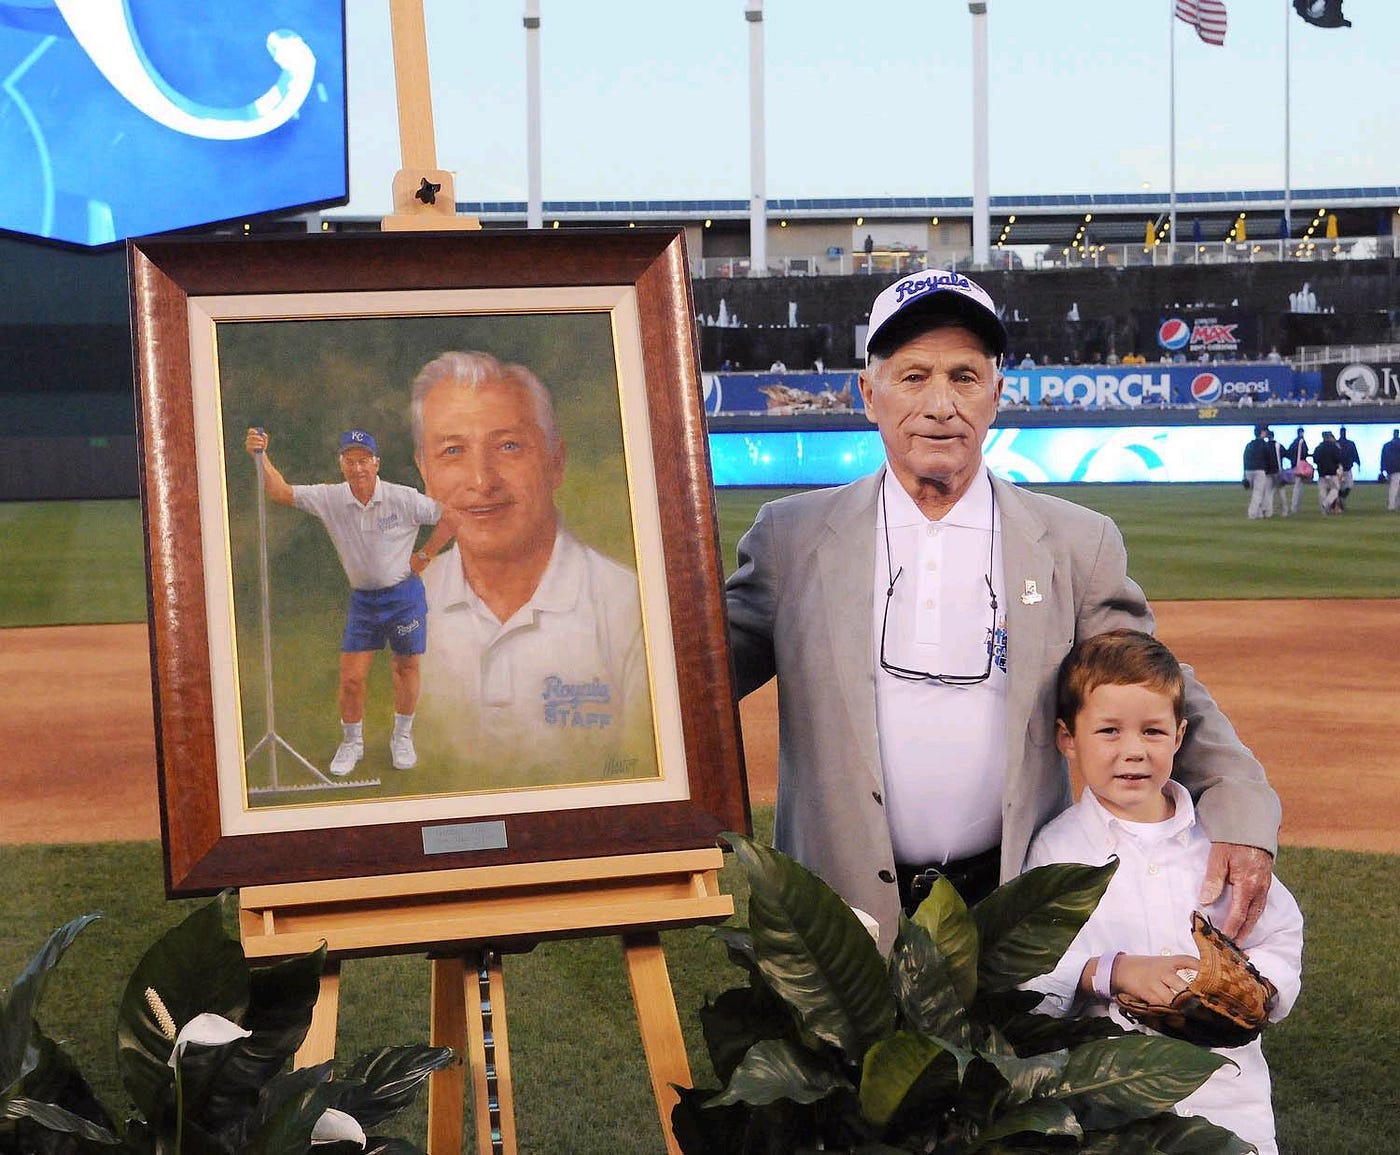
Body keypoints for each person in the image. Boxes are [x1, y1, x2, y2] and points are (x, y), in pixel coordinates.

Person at [724, 268, 1280, 951]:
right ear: (868, 393)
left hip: (1009, 901)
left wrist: (1240, 804)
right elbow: (693, 681)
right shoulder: (791, 537)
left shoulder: (1075, 542)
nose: (940, 403)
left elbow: (1153, 682)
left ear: (997, 393)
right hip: (836, 908)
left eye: (963, 376)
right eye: (913, 375)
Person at [1023, 629, 1302, 1154]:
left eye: (1152, 732)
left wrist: (1257, 988)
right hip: (1109, 1100)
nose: (1133, 751)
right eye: (1108, 731)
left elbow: (1281, 933)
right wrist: (1114, 971)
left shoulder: (1218, 843)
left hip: (1227, 1094)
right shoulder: (1057, 848)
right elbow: (1034, 965)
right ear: (1067, 737)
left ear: (1179, 736)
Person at [410, 351, 653, 784]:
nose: (482, 480)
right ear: (425, 473)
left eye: (508, 446)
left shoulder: (633, 610)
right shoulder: (401, 609)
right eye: (453, 451)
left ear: (555, 461)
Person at [245, 427, 455, 776]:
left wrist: (426, 554)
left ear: (376, 464)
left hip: (403, 595)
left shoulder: (401, 497)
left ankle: (402, 738)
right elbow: (280, 492)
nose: (357, 467)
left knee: (405, 668)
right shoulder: (330, 497)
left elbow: (450, 517)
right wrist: (261, 456)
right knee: (352, 679)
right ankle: (352, 743)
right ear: (341, 464)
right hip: (364, 602)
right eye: (350, 460)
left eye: (364, 460)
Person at [1241, 426, 1275, 519]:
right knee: (1258, 493)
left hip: (1248, 470)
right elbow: (1269, 458)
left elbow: (1245, 458)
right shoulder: (1264, 445)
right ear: (1262, 433)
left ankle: (1259, 513)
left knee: (1254, 492)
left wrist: (1244, 473)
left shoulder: (1249, 445)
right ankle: (1252, 513)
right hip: (1260, 470)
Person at [1313, 431, 1344, 514]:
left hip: (1321, 473)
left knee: (1322, 491)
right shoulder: (1334, 447)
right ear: (1330, 437)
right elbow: (1338, 458)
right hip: (1332, 472)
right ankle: (1326, 503)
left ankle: (1323, 510)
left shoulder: (1318, 447)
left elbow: (1315, 459)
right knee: (1335, 489)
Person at [1283, 426, 1311, 514]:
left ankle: (1295, 507)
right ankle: (1295, 507)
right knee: (1298, 488)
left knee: (1297, 487)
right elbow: (1304, 453)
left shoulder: (1294, 442)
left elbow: (1288, 453)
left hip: (1295, 466)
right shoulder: (1302, 442)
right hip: (1300, 467)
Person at [1336, 425, 1361, 510]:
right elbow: (1355, 455)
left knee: (1340, 486)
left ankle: (1340, 499)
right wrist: (1358, 463)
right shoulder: (1350, 443)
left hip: (1339, 468)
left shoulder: (1336, 443)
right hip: (1347, 468)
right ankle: (1342, 498)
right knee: (1349, 485)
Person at [1380, 428, 1400, 511]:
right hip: (1398, 468)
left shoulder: (1387, 445)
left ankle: (1392, 504)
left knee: (1393, 487)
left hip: (1390, 469)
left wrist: (1382, 469)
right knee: (1395, 487)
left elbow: (1383, 458)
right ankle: (1392, 505)